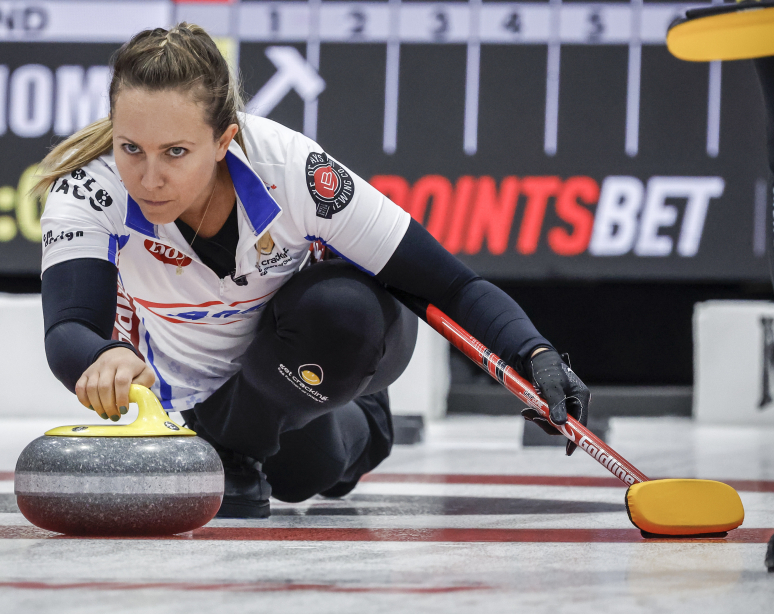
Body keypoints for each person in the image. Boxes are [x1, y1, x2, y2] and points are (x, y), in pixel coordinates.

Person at [36, 24, 590, 519]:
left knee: (344, 315)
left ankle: (347, 415)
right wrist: (100, 356)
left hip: (316, 344)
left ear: (225, 140)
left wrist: (533, 353)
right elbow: (69, 328)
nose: (149, 178)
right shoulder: (89, 189)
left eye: (176, 152)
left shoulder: (291, 168)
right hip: (214, 397)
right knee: (303, 475)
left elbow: (450, 284)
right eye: (131, 147)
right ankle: (254, 440)